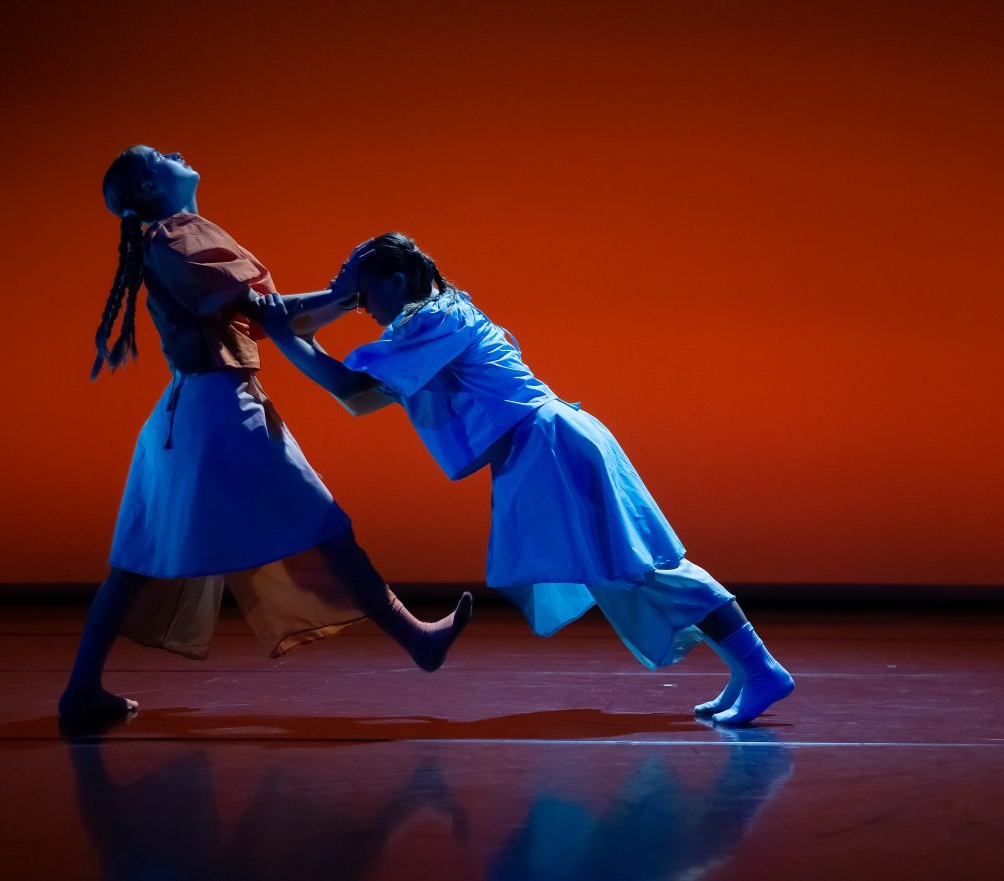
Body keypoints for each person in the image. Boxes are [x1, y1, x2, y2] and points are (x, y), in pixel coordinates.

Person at [256, 232, 794, 725]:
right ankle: (747, 668)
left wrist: (284, 333)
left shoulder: (433, 321)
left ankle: (761, 669)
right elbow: (359, 390)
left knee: (647, 568)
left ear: (397, 282)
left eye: (365, 296)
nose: (363, 308)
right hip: (545, 447)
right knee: (636, 568)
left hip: (550, 448)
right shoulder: (437, 314)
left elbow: (353, 391)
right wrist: (316, 312)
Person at [58, 151, 471, 720]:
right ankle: (417, 639)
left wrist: (345, 297)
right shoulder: (178, 235)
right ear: (150, 185)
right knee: (325, 526)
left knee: (136, 559)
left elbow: (269, 320)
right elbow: (268, 313)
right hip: (220, 410)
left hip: (186, 411)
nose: (176, 154)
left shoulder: (173, 238)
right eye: (161, 156)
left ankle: (81, 688)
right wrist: (347, 294)